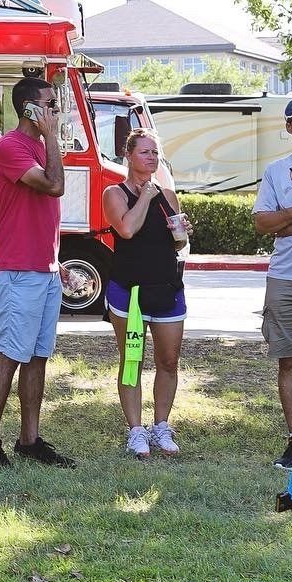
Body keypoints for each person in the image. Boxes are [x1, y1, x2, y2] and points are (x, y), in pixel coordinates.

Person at [0, 74, 73, 469]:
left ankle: (29, 440)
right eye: (50, 105)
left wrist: (55, 260)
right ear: (29, 108)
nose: (56, 111)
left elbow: (42, 214)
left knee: (37, 356)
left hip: (44, 268)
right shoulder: (11, 147)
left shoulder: (40, 146)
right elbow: (54, 186)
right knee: (11, 354)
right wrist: (52, 137)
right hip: (18, 269)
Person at [104, 128, 188, 458]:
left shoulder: (168, 195)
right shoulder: (115, 193)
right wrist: (145, 197)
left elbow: (177, 243)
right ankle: (136, 430)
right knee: (132, 361)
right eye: (144, 152)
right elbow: (126, 229)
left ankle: (162, 426)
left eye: (155, 152)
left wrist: (182, 233)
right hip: (130, 292)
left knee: (169, 361)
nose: (152, 157)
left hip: (166, 288)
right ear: (129, 155)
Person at [255, 97, 292, 470]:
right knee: (288, 360)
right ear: (289, 127)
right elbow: (262, 224)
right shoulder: (277, 171)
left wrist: (284, 222)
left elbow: (275, 223)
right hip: (284, 276)